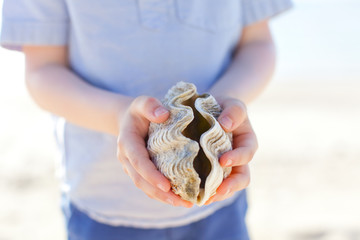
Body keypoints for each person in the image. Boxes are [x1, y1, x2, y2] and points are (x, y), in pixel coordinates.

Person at [1, 0, 292, 239]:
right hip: (103, 204)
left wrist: (221, 107)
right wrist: (118, 114)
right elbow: (43, 72)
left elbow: (257, 43)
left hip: (220, 200)